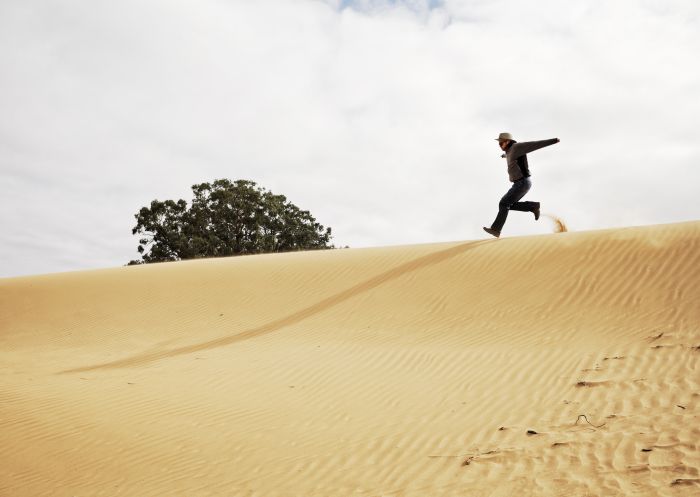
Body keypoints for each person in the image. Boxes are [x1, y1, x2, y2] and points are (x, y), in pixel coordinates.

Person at [483, 132, 560, 238]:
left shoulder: (517, 147)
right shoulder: (509, 151)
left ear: (508, 141)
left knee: (503, 204)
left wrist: (553, 140)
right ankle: (533, 206)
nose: (500, 145)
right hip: (520, 183)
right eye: (499, 143)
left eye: (501, 143)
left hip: (522, 182)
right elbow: (510, 155)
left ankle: (496, 229)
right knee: (507, 205)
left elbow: (534, 144)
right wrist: (504, 156)